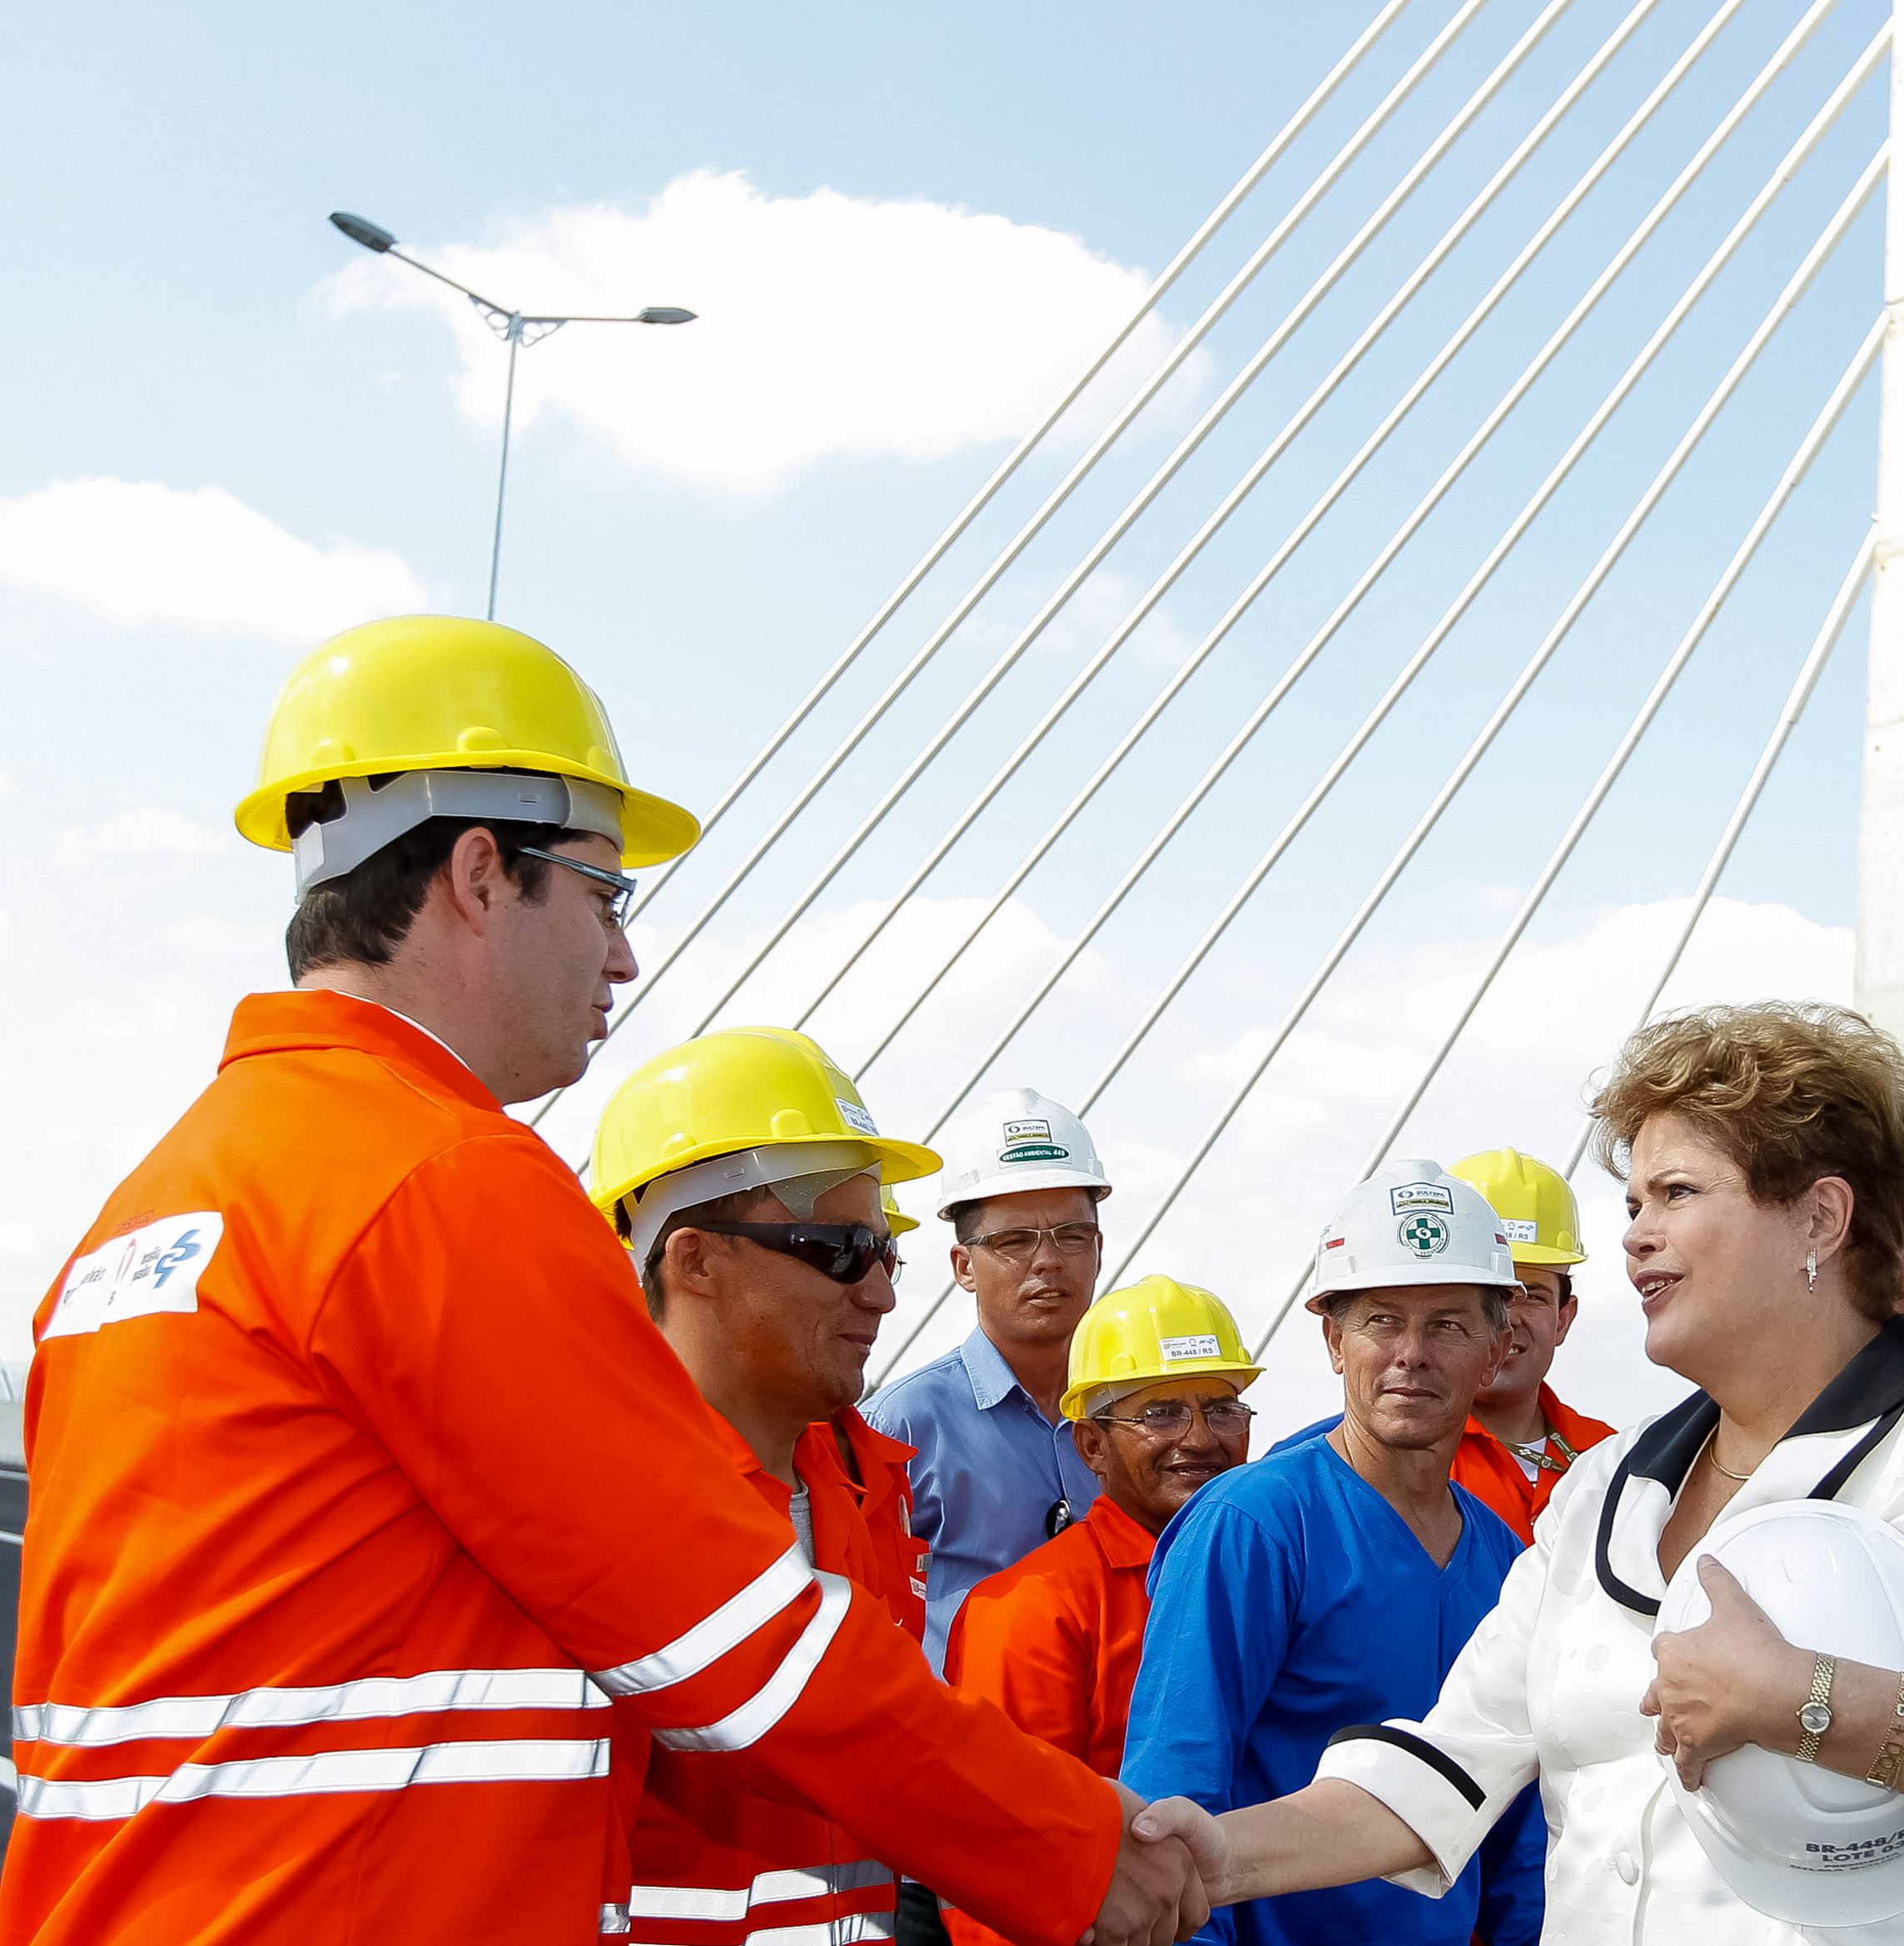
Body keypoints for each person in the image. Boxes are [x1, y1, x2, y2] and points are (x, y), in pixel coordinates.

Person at [3, 616, 1202, 1944]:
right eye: (602, 893)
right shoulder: (436, 1180)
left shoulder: (147, 1216)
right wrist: (1084, 1851)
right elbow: (733, 1645)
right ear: (478, 871)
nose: (622, 957)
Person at [1131, 1003, 1904, 1944]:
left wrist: (1803, 1700)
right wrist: (1206, 1862)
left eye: (1674, 1193)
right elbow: (1444, 1770)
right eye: (1631, 1200)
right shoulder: (1601, 1493)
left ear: (1819, 1219)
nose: (1633, 1237)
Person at [1118, 1159, 1546, 1946]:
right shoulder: (1255, 1524)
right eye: (1382, 1320)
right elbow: (1172, 1794)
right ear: (1333, 1340)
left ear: (1495, 1348)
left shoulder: (1507, 1558)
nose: (1411, 1353)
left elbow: (1521, 1826)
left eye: (1448, 1323)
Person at [592, 1026, 946, 1944]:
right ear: (695, 1260)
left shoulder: (870, 1483)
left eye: (885, 1254)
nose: (880, 1294)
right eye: (840, 1249)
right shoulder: (592, 1509)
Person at [944, 1277, 1265, 1946]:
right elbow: (1000, 1844)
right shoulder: (1034, 1606)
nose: (1202, 1438)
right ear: (1090, 1446)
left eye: (1223, 1408)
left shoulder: (1275, 1572)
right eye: (1162, 1413)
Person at [866, 1086, 1111, 1675]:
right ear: (963, 1267)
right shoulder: (903, 1425)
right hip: (968, 1749)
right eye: (1013, 1241)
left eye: (1070, 1235)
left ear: (1098, 1249)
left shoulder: (1140, 1414)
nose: (1048, 1261)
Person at [1444, 1147, 1614, 1540]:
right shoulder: (1395, 1455)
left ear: (1563, 1318)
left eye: (1531, 1294)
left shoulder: (1610, 1456)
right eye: (1487, 1294)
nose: (1506, 1319)